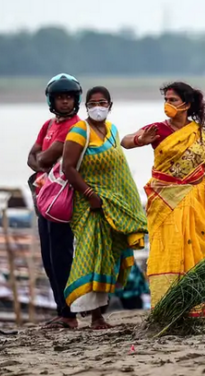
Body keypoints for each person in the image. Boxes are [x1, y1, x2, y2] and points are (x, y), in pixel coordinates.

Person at [60, 86, 147, 329]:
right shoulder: (79, 131)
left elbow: (119, 170)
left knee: (110, 257)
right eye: (93, 102)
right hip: (91, 206)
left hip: (113, 206)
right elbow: (68, 168)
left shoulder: (112, 130)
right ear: (86, 106)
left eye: (102, 102)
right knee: (92, 257)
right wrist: (89, 194)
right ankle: (93, 315)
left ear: (110, 105)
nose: (98, 106)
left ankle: (100, 313)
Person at [121, 82, 205, 308]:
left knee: (196, 246)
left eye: (172, 100)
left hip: (195, 197)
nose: (167, 105)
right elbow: (125, 141)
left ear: (187, 104)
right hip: (165, 199)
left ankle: (195, 304)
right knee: (166, 248)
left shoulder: (198, 132)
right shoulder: (158, 129)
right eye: (166, 100)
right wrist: (139, 140)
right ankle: (166, 304)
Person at [26, 74, 82, 330]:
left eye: (69, 97)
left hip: (61, 200)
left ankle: (69, 314)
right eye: (60, 97)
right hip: (43, 197)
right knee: (48, 258)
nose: (65, 102)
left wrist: (41, 160)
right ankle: (62, 310)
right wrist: (41, 160)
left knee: (61, 256)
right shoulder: (48, 125)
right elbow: (31, 157)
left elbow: (44, 158)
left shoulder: (75, 127)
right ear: (51, 100)